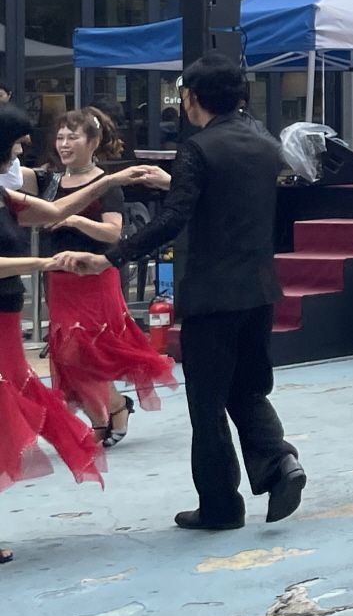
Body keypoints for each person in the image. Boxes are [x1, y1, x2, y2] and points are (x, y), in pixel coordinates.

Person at [50, 57, 306, 532]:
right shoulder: (264, 142)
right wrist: (180, 183)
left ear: (190, 98)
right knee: (247, 387)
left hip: (213, 291)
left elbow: (172, 221)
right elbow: (232, 197)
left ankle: (221, 506)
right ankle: (279, 463)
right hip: (260, 286)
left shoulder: (198, 148)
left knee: (206, 403)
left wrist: (110, 257)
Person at [0, 104, 106, 566]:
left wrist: (114, 182)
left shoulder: (5, 195)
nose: (24, 152)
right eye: (18, 145)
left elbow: (58, 208)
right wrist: (45, 263)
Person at [42, 108, 177, 446]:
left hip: (94, 276)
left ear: (93, 142)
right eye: (60, 137)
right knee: (65, 355)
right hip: (59, 277)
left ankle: (115, 407)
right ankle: (101, 418)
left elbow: (113, 234)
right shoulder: (50, 181)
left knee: (83, 350)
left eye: (73, 137)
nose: (64, 144)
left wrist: (72, 219)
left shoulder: (107, 186)